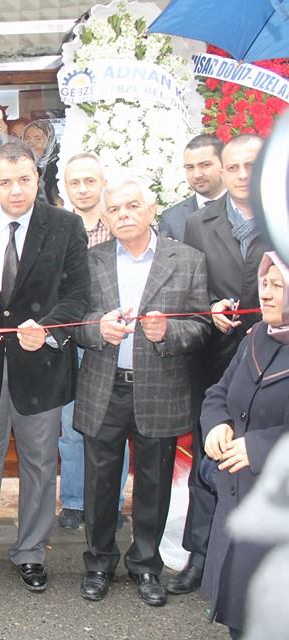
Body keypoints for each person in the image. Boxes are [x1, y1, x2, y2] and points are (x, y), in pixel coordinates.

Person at [0, 141, 89, 593]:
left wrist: (49, 328)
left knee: (37, 462)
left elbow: (78, 296)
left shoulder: (66, 227)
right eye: (6, 181)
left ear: (38, 179)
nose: (16, 190)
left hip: (42, 364)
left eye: (25, 180)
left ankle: (31, 550)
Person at [73, 175, 210, 606]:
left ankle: (145, 565)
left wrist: (169, 330)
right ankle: (98, 563)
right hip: (104, 386)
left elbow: (202, 325)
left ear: (151, 209)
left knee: (153, 484)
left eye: (132, 206)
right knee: (99, 482)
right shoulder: (89, 260)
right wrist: (98, 329)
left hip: (161, 389)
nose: (123, 215)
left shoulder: (187, 260)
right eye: (114, 209)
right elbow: (73, 322)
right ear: (106, 216)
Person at [173, 134, 271, 595]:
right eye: (233, 167)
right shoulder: (198, 223)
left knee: (263, 457)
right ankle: (201, 555)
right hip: (214, 358)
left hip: (274, 360)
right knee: (208, 464)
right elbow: (191, 291)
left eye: (251, 166)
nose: (241, 176)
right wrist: (209, 306)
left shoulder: (283, 217)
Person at [201, 253, 289, 638]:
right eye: (264, 284)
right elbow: (219, 392)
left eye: (278, 286)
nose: (266, 295)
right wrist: (216, 424)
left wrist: (260, 447)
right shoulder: (256, 337)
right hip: (240, 505)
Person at [56, 153, 130, 532]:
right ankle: (73, 500)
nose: (82, 189)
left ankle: (110, 503)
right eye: (74, 182)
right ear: (64, 188)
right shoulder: (58, 229)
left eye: (89, 181)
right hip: (68, 341)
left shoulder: (121, 226)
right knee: (70, 428)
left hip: (110, 340)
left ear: (102, 183)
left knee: (112, 428)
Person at [158, 134, 226, 242]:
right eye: (190, 167)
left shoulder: (244, 207)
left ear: (224, 163)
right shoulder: (171, 218)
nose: (197, 174)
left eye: (205, 165)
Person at [23, 120, 62, 206]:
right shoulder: (21, 168)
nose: (31, 144)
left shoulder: (58, 168)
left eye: (38, 139)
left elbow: (58, 202)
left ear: (49, 141)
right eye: (27, 139)